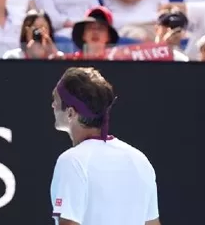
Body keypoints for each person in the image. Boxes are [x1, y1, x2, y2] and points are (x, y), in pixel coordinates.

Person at [50, 67, 161, 225]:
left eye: (56, 99)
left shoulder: (72, 161)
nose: (53, 105)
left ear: (70, 113)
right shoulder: (140, 160)